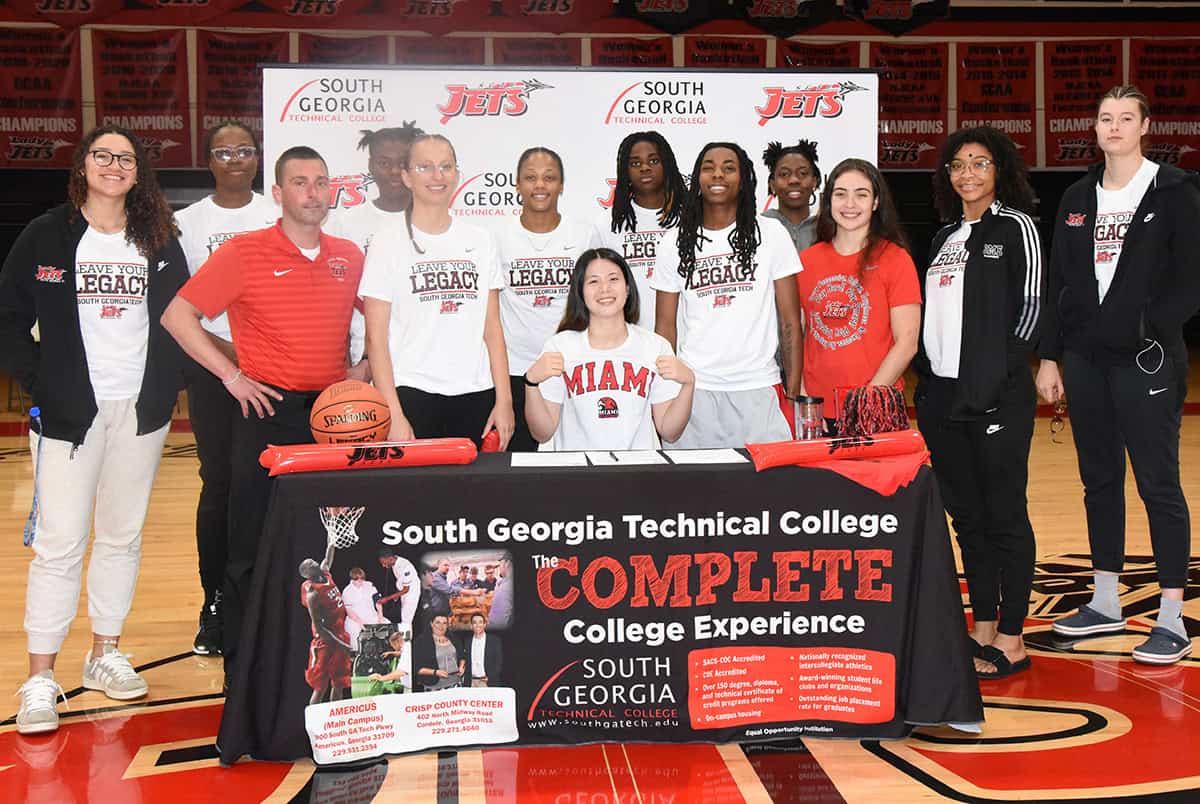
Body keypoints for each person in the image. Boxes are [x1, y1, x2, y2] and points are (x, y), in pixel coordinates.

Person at [1, 126, 188, 734]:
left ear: (138, 173)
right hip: (70, 414)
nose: (114, 165)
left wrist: (168, 382)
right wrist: (41, 385)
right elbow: (9, 316)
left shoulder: (157, 237)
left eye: (126, 158)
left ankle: (105, 654)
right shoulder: (47, 235)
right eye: (103, 155)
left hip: (140, 409)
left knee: (122, 535)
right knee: (59, 542)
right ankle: (39, 676)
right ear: (82, 166)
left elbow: (180, 315)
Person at [162, 145, 363, 674]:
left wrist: (364, 371)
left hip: (332, 419)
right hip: (265, 410)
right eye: (300, 182)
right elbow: (177, 317)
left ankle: (317, 652)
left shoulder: (350, 255)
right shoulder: (244, 252)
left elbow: (390, 317)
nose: (313, 192)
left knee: (326, 541)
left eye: (321, 182)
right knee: (249, 542)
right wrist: (231, 376)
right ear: (277, 193)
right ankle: (243, 664)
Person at [1037, 85, 1200, 665]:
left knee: (1158, 483)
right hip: (1084, 360)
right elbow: (1059, 281)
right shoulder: (1078, 196)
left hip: (1145, 358)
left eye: (1125, 118)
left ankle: (1172, 617)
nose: (1113, 127)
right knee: (1099, 479)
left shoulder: (1174, 190)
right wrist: (1052, 356)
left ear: (1144, 126)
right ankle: (1106, 603)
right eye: (1105, 117)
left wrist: (1146, 327)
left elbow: (1189, 279)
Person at [915, 127, 1044, 679]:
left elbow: (1033, 308)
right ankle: (983, 627)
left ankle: (1013, 639)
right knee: (966, 518)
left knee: (1004, 516)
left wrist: (997, 378)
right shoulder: (944, 236)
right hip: (943, 398)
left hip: (996, 398)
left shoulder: (1017, 227)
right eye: (958, 164)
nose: (968, 173)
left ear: (1000, 170)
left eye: (980, 163)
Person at [175, 121, 278, 656]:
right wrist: (225, 357)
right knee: (218, 485)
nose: (235, 158)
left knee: (267, 483)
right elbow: (180, 309)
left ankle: (268, 598)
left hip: (272, 373)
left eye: (245, 150)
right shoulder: (185, 223)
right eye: (224, 151)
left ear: (258, 159)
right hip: (215, 371)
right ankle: (214, 602)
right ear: (209, 160)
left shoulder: (276, 216)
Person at [360, 133, 514, 450]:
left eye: (445, 166)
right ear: (405, 176)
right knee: (417, 499)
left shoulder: (481, 240)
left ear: (457, 173)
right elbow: (375, 337)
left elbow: (493, 328)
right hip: (412, 394)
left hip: (476, 393)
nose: (437, 176)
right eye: (424, 167)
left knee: (475, 498)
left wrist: (504, 400)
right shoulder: (386, 242)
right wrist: (393, 412)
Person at [650, 142, 804, 448]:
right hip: (695, 388)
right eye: (708, 168)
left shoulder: (771, 234)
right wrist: (668, 390)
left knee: (765, 494)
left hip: (759, 386)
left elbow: (790, 321)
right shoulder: (673, 242)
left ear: (744, 178)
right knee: (695, 492)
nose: (717, 174)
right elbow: (665, 328)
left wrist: (793, 390)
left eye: (729, 168)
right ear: (697, 179)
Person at [525, 248, 695, 450]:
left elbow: (670, 432)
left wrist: (688, 384)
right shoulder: (560, 347)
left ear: (628, 288)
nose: (604, 289)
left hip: (639, 472)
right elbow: (542, 433)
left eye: (613, 279)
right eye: (593, 281)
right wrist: (531, 383)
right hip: (577, 472)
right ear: (580, 292)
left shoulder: (654, 347)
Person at [795, 158, 921, 426]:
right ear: (828, 202)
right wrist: (804, 397)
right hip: (818, 410)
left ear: (875, 202)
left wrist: (867, 401)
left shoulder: (895, 259)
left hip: (877, 406)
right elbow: (798, 334)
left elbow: (907, 343)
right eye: (840, 194)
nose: (850, 204)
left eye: (861, 195)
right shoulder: (806, 261)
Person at [498, 147, 602, 452]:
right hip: (517, 370)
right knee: (523, 473)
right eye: (530, 178)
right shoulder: (497, 238)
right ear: (517, 184)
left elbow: (598, 301)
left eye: (549, 177)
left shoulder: (584, 235)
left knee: (576, 464)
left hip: (574, 367)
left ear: (562, 185)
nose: (540, 185)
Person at [326, 122, 425, 373]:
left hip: (426, 357)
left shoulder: (436, 221)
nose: (394, 171)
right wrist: (347, 362)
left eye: (402, 163)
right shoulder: (345, 224)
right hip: (366, 359)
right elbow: (337, 302)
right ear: (371, 166)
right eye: (384, 163)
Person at [600, 131, 688, 331]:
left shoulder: (692, 219)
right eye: (635, 164)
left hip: (690, 344)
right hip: (630, 343)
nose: (645, 168)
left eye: (654, 161)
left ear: (667, 165)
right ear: (624, 171)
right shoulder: (608, 224)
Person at [300, 543, 352, 705]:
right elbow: (321, 629)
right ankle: (313, 726)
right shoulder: (313, 594)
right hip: (325, 642)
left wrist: (332, 537)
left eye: (313, 561)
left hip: (339, 635)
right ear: (308, 574)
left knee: (339, 683)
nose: (314, 563)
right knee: (320, 687)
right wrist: (342, 645)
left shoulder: (325, 574)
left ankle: (336, 722)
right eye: (310, 565)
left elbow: (328, 556)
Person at [762, 139, 822, 252]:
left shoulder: (828, 228)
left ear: (815, 181)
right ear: (772, 184)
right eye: (784, 174)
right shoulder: (759, 226)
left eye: (803, 173)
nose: (794, 180)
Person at [412, 615, 464, 692]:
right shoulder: (421, 642)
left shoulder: (454, 638)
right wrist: (435, 672)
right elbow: (416, 668)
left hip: (456, 684)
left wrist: (462, 666)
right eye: (438, 622)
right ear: (431, 624)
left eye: (444, 623)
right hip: (434, 687)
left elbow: (462, 656)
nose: (441, 626)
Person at [341, 566, 387, 650]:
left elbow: (378, 602)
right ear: (352, 579)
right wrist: (360, 622)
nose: (360, 581)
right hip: (355, 618)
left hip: (371, 615)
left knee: (386, 625)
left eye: (362, 579)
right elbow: (349, 611)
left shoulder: (370, 586)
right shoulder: (347, 591)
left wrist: (380, 617)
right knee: (355, 633)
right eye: (357, 580)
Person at [377, 549, 421, 633]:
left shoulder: (405, 567)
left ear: (390, 558)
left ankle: (406, 643)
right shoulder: (394, 561)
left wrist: (387, 599)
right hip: (404, 591)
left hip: (411, 593)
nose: (383, 565)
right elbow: (400, 580)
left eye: (384, 562)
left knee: (406, 620)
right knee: (404, 617)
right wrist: (396, 595)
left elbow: (406, 589)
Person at [365, 630, 412, 694]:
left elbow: (401, 672)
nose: (392, 647)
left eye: (392, 645)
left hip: (411, 689)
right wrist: (390, 653)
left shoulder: (407, 650)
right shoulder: (408, 646)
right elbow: (401, 652)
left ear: (397, 642)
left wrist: (381, 678)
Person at [463, 613, 503, 688]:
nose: (478, 625)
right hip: (471, 683)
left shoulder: (494, 640)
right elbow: (466, 661)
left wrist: (491, 678)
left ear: (485, 624)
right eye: (475, 622)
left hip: (487, 682)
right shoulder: (467, 641)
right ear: (471, 626)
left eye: (480, 622)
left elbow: (498, 662)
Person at [489, 558, 513, 628]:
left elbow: (498, 620)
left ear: (507, 563)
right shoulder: (503, 582)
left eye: (500, 564)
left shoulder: (507, 587)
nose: (499, 567)